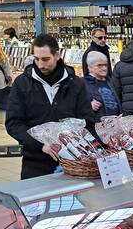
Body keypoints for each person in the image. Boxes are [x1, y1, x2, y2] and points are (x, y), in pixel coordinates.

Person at [6, 34, 96, 179]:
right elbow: (13, 124)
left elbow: (88, 121)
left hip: (73, 164)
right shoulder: (22, 84)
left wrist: (71, 143)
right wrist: (40, 145)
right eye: (36, 59)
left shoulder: (76, 84)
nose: (41, 64)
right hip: (34, 165)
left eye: (46, 59)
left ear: (57, 55)